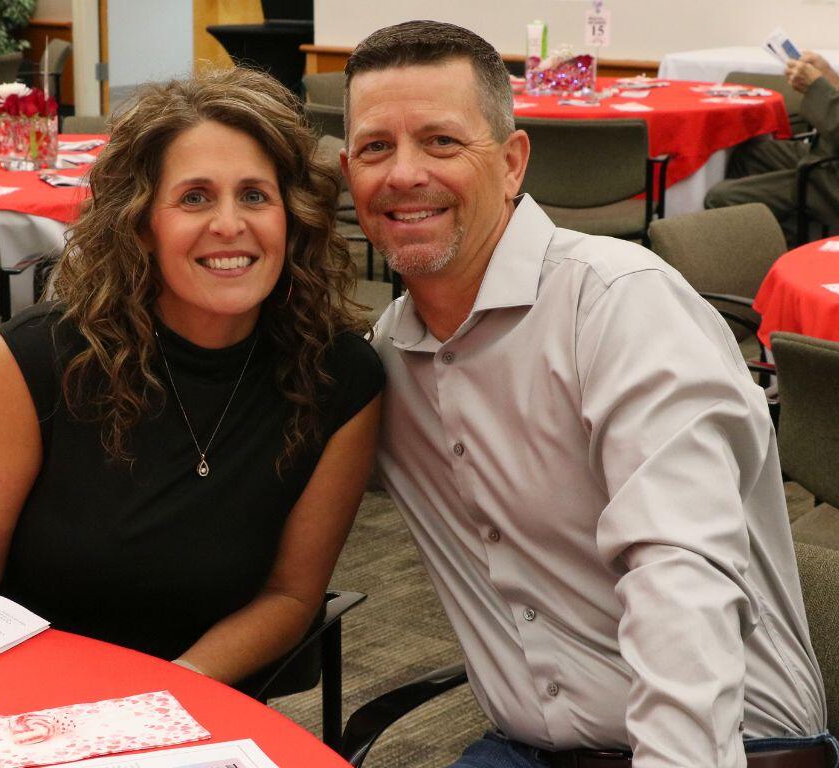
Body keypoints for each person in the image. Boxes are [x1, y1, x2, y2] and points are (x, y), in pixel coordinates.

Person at [341, 20, 830, 768]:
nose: (404, 173)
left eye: (441, 142)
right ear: (347, 173)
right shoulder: (385, 361)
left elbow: (682, 581)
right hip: (525, 746)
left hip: (729, 746)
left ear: (511, 164)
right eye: (377, 147)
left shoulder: (618, 307)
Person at [0, 66, 383, 687]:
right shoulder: (42, 358)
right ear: (141, 225)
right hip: (8, 688)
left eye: (254, 195)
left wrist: (168, 696)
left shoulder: (338, 378)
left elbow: (289, 598)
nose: (228, 224)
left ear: (291, 218)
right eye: (194, 197)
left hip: (195, 703)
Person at [704, 51, 839, 244]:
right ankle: (782, 235)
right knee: (749, 155)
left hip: (832, 178)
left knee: (721, 197)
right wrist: (831, 78)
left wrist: (817, 88)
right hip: (828, 153)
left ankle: (775, 256)